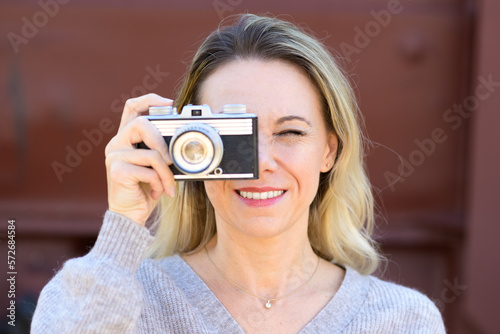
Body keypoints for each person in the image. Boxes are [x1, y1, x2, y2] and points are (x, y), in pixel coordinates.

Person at [31, 14, 445, 333]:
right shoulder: (126, 299)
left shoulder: (401, 320)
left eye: (290, 132)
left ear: (329, 151)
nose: (262, 161)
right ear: (187, 147)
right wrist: (121, 229)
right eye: (231, 137)